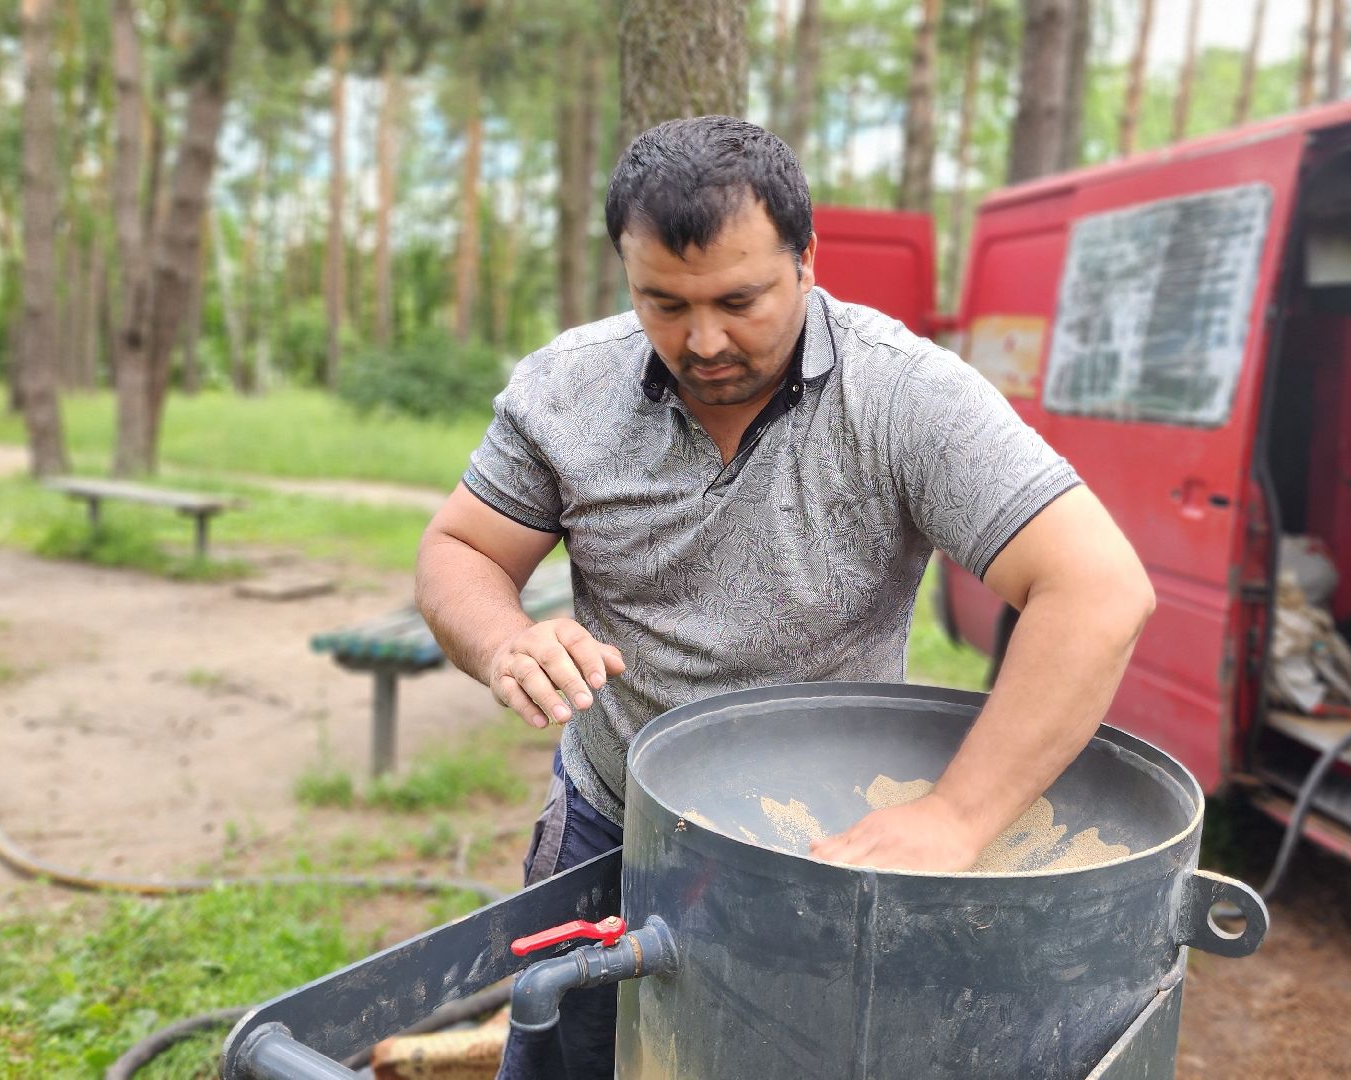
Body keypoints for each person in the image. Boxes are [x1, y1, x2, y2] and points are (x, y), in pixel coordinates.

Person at [414, 115, 1155, 1079]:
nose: (705, 339)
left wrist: (957, 818)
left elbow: (1098, 590)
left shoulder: (905, 396)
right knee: (567, 1059)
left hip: (825, 842)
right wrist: (502, 635)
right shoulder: (565, 389)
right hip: (612, 817)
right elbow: (460, 547)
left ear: (808, 259)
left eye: (739, 298)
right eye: (663, 303)